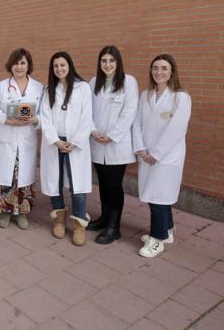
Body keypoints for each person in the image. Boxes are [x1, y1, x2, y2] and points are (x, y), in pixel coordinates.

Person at [133, 53, 191, 258]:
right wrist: (140, 149)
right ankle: (167, 231)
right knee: (156, 196)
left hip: (166, 158)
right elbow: (137, 123)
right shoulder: (145, 95)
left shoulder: (180, 97)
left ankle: (156, 240)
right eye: (155, 68)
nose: (159, 72)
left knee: (158, 198)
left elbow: (176, 130)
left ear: (172, 71)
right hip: (146, 154)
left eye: (164, 68)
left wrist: (155, 154)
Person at [40, 51, 93, 246]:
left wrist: (75, 141)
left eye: (62, 65)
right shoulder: (48, 90)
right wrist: (55, 140)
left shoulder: (83, 88)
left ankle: (79, 224)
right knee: (55, 181)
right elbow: (45, 118)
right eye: (56, 66)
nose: (59, 69)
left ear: (69, 66)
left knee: (78, 184)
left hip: (75, 144)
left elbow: (87, 118)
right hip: (55, 143)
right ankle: (59, 220)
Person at [87, 46, 139, 244]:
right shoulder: (94, 83)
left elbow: (129, 112)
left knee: (114, 185)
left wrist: (111, 135)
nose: (107, 65)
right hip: (97, 142)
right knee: (102, 183)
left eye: (111, 61)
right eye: (103, 61)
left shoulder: (129, 82)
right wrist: (93, 131)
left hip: (117, 144)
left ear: (118, 62)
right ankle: (104, 218)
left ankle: (114, 227)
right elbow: (87, 111)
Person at [0, 48, 43, 229]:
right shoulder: (2, 86)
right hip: (7, 138)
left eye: (22, 63)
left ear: (28, 65)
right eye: (16, 63)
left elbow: (46, 114)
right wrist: (7, 120)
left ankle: (21, 214)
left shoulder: (38, 88)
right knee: (7, 177)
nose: (19, 67)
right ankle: (4, 211)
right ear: (10, 65)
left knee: (23, 179)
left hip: (26, 140)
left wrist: (35, 120)